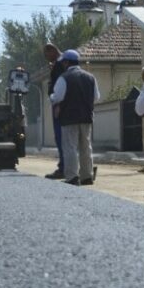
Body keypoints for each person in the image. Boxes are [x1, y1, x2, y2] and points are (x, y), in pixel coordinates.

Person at [50, 49, 98, 186]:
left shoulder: (63, 78)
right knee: (86, 147)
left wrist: (51, 97)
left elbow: (57, 97)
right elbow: (96, 97)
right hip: (87, 118)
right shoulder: (90, 77)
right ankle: (87, 176)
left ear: (66, 63)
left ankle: (72, 176)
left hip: (69, 118)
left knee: (70, 147)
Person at [42, 43, 67, 180]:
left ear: (52, 51)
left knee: (61, 137)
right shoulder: (60, 63)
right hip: (60, 105)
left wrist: (58, 104)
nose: (46, 58)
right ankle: (66, 167)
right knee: (63, 138)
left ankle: (63, 168)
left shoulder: (60, 64)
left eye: (47, 55)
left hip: (59, 106)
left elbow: (60, 85)